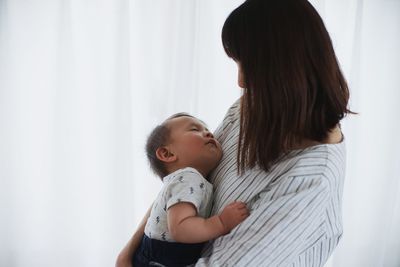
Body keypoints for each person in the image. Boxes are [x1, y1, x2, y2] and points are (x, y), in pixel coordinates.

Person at [117, 0, 353, 266]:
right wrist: (127, 253)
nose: (241, 82)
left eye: (248, 66)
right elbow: (182, 178)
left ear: (286, 69)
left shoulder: (310, 177)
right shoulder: (250, 107)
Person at [130, 113, 249, 266]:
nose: (208, 133)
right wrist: (221, 223)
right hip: (158, 259)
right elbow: (180, 228)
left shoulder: (191, 179)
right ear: (167, 153)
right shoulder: (187, 178)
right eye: (194, 129)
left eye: (207, 129)